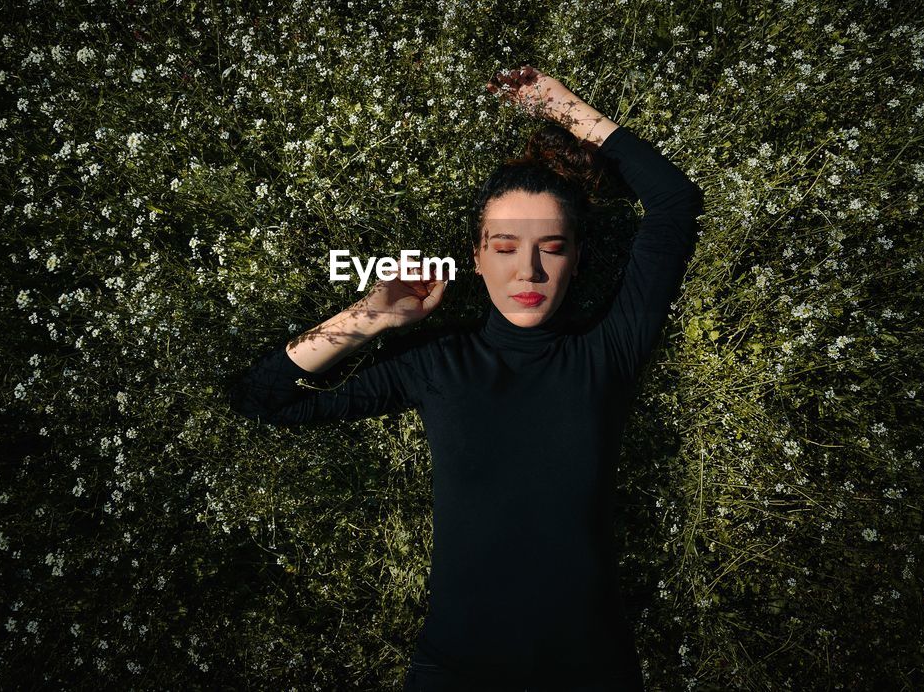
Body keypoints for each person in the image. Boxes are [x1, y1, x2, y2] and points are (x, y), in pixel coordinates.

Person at [229, 66, 705, 691]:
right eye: (505, 247)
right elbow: (263, 397)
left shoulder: (607, 352)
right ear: (477, 259)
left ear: (577, 258)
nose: (528, 269)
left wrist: (563, 109)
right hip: (456, 672)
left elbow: (674, 201)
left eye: (552, 247)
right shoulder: (438, 364)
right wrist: (369, 316)